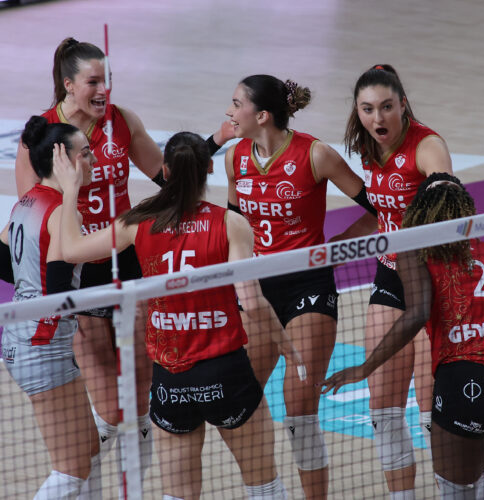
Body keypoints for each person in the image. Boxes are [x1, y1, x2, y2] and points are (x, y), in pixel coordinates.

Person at [14, 37, 234, 495]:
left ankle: (127, 489)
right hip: (79, 272)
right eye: (93, 82)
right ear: (68, 85)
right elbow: (32, 215)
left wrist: (213, 142)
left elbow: (168, 176)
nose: (104, 91)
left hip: (129, 262)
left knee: (140, 401)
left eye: (108, 81)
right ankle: (85, 481)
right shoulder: (45, 135)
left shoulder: (122, 122)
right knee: (112, 412)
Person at [53, 130, 306, 499]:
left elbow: (71, 250)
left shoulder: (138, 221)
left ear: (166, 171)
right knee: (264, 486)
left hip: (171, 380)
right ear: (209, 169)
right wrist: (288, 348)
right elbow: (252, 303)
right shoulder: (231, 224)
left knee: (178, 495)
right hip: (226, 373)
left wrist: (69, 190)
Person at [224, 74, 378, 499]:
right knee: (241, 401)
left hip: (308, 286)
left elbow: (377, 207)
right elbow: (234, 224)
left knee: (300, 410)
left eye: (235, 104)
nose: (229, 112)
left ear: (262, 115)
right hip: (257, 289)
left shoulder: (315, 154)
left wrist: (337, 248)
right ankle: (266, 491)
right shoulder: (235, 158)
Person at [321, 172, 484, 499]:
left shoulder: (415, 251)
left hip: (465, 379)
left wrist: (365, 368)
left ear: (419, 209)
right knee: (475, 480)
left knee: (457, 488)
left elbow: (416, 314)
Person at [340, 64, 454, 499]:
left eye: (386, 107)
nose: (378, 117)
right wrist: (336, 246)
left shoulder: (427, 145)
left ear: (403, 105)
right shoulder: (370, 148)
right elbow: (382, 209)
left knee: (433, 415)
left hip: (433, 281)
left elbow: (447, 197)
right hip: (389, 275)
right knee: (383, 411)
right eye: (368, 109)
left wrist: (439, 187)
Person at [0, 115, 101, 499]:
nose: (93, 160)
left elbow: (3, 263)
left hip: (26, 337)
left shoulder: (26, 202)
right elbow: (59, 289)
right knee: (71, 470)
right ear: (64, 162)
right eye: (86, 154)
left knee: (89, 449)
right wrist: (72, 196)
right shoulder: (62, 210)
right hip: (41, 344)